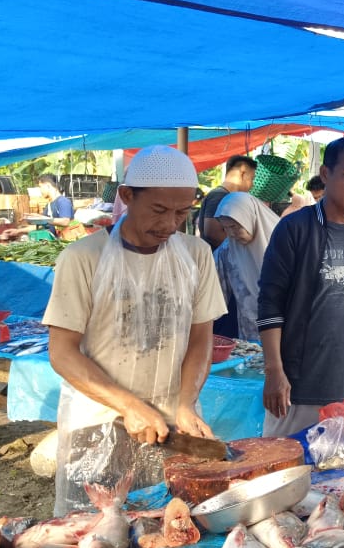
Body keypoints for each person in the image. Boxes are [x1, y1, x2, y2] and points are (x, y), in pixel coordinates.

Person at [43, 146, 226, 515]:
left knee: (168, 528)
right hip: (98, 422)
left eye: (182, 212)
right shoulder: (83, 257)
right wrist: (128, 405)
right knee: (95, 536)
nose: (169, 224)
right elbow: (62, 352)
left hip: (173, 421)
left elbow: (200, 337)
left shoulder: (196, 255)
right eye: (158, 210)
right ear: (126, 196)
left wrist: (186, 403)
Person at [256, 137, 344, 437]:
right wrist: (274, 371)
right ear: (325, 174)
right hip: (303, 387)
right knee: (288, 472)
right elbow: (270, 302)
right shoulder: (295, 229)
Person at [212, 192, 279, 343]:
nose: (231, 234)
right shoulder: (228, 248)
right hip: (249, 331)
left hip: (284, 327)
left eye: (235, 227)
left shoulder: (283, 239)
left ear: (250, 218)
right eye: (225, 228)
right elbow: (211, 281)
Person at [197, 155, 257, 249]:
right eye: (252, 179)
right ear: (242, 173)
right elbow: (213, 234)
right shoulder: (219, 196)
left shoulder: (225, 196)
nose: (252, 185)